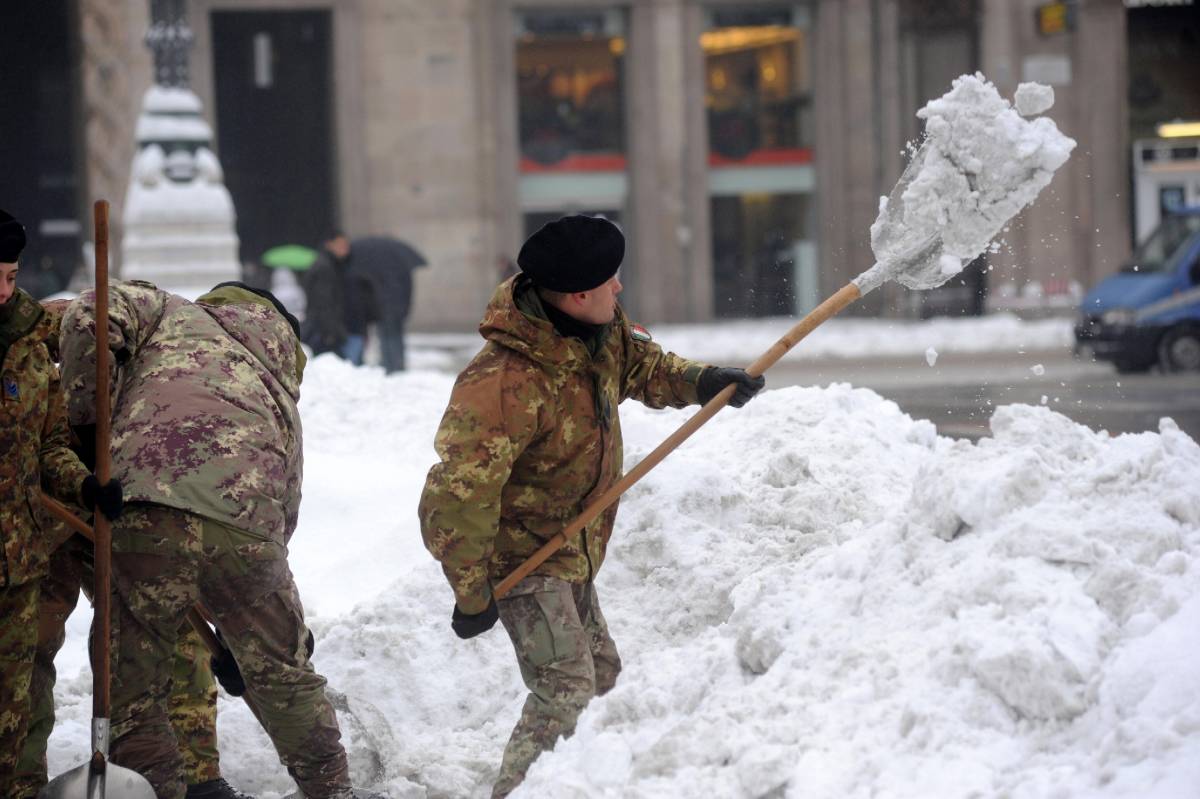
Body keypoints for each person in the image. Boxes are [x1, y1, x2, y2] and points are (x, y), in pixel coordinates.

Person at [418, 215, 765, 797]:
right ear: (578, 295)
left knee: (602, 681)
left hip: (574, 544)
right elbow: (458, 494)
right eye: (612, 281)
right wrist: (471, 590)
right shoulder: (505, 381)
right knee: (567, 689)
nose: (620, 290)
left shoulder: (599, 333)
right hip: (524, 559)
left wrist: (703, 381)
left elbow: (645, 366)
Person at [57, 278, 376, 799]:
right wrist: (245, 629)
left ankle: (159, 790)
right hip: (247, 533)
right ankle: (331, 789)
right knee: (283, 673)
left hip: (145, 514)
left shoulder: (164, 312)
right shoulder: (274, 394)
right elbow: (279, 516)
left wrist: (92, 427)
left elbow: (89, 312)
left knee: (133, 681)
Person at [10, 301, 255, 799]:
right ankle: (19, 778)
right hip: (44, 519)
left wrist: (233, 634)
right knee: (28, 645)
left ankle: (195, 775)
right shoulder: (43, 335)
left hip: (130, 509)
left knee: (168, 633)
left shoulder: (179, 379)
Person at [0, 209, 123, 797]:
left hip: (17, 558)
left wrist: (84, 485)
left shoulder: (26, 344)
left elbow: (48, 442)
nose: (4, 292)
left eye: (11, 275)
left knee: (16, 694)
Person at [302, 231, 425, 372]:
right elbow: (324, 304)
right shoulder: (327, 267)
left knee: (353, 367)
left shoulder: (340, 265)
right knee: (346, 369)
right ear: (329, 245)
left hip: (349, 326)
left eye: (345, 245)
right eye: (340, 245)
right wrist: (333, 332)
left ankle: (394, 369)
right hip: (338, 330)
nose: (344, 249)